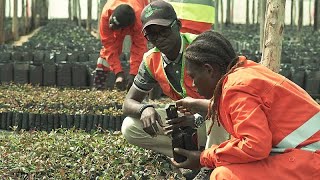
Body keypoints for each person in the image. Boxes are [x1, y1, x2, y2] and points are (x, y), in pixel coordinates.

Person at [169, 30, 320, 179]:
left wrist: (203, 158)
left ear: (209, 70)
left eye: (193, 77)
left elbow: (255, 146)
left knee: (223, 175)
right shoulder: (245, 71)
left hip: (312, 160)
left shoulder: (236, 88)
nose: (194, 85)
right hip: (307, 153)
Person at [121, 1, 228, 179]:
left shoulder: (201, 48)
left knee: (217, 113)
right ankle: (184, 154)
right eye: (151, 34)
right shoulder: (151, 60)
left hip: (216, 116)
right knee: (130, 127)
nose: (159, 38)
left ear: (177, 25)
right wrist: (145, 108)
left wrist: (195, 118)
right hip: (188, 120)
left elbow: (229, 101)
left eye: (163, 31)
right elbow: (128, 103)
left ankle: (210, 164)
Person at [94, 0, 148, 91]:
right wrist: (118, 72)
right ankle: (99, 87)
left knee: (144, 54)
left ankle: (140, 86)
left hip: (138, 12)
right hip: (119, 17)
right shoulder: (106, 14)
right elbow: (109, 46)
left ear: (126, 28)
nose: (111, 26)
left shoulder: (140, 21)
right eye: (111, 22)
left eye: (116, 27)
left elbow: (139, 47)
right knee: (107, 52)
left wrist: (134, 74)